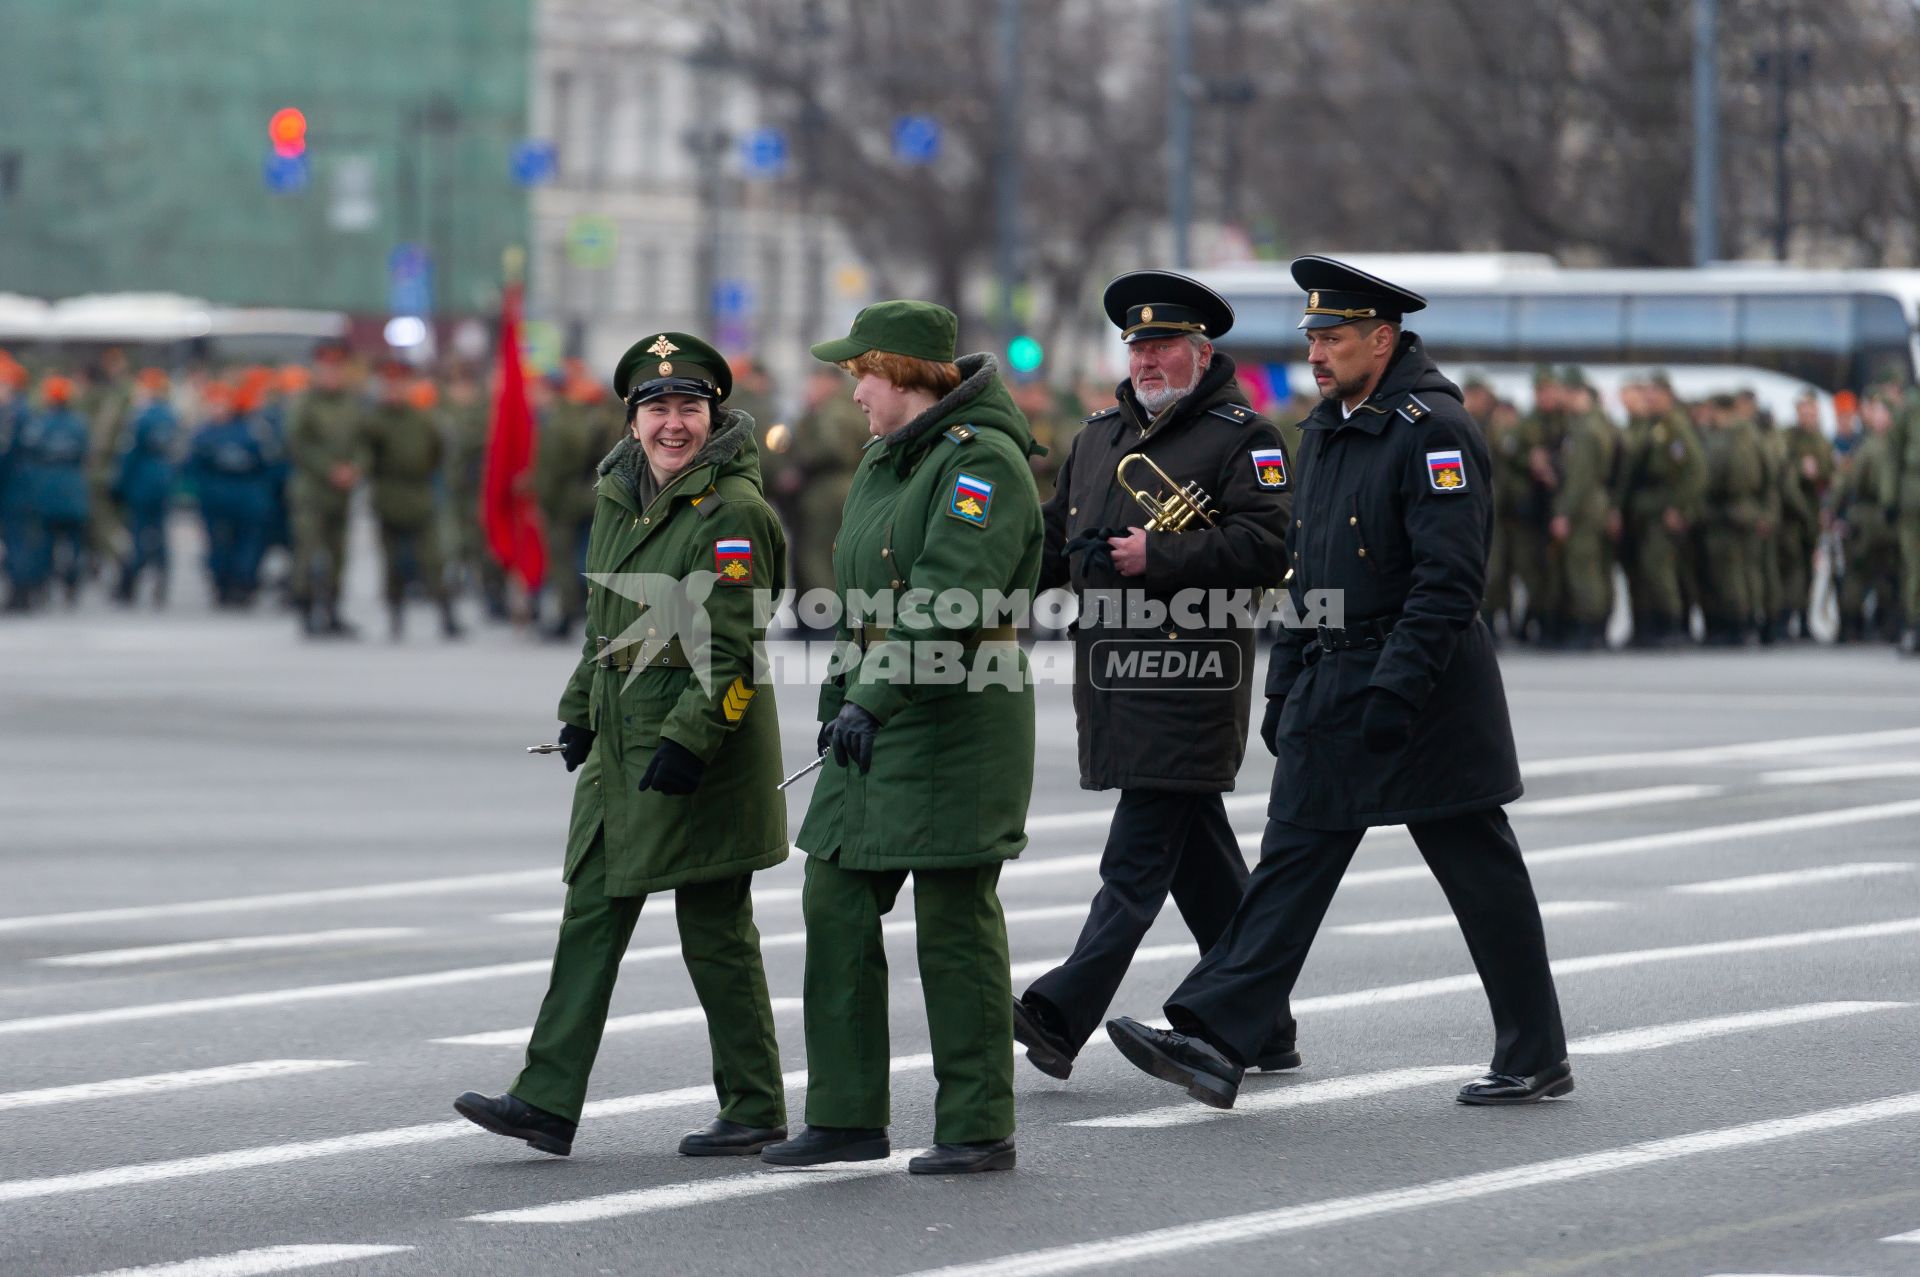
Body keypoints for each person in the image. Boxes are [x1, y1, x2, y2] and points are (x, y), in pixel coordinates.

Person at [1107, 256, 1570, 1111]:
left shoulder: (1431, 428)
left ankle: (1535, 1051)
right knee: (1292, 859)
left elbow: (1449, 581)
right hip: (1333, 676)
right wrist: (1285, 683)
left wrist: (1397, 690)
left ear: (1382, 338)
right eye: (1312, 336)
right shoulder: (1324, 427)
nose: (1316, 352)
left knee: (1480, 872)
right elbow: (1305, 568)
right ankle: (1214, 1037)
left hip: (1423, 694)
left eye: (1333, 336)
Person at [456, 331, 790, 1159]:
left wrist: (689, 741)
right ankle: (545, 1099)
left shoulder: (734, 512)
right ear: (633, 420)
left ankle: (753, 1104)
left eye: (688, 408)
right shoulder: (620, 491)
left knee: (715, 930)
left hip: (695, 756)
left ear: (713, 415)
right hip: (621, 746)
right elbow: (608, 621)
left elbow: (734, 647)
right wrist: (578, 709)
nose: (672, 424)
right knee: (590, 915)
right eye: (657, 409)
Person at [761, 301, 1042, 1175]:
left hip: (960, 715)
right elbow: (862, 602)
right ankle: (847, 1114)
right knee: (834, 896)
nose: (855, 390)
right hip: (881, 713)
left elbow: (947, 597)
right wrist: (846, 694)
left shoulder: (979, 466)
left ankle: (975, 1122)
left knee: (954, 922)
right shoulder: (889, 459)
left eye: (864, 374)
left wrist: (870, 696)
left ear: (908, 375)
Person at [1009, 271, 1294, 1081]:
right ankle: (1266, 1024)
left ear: (1203, 353)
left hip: (1190, 675)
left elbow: (1270, 549)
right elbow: (1056, 544)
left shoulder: (1245, 436)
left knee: (1134, 865)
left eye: (1164, 345)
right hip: (1112, 678)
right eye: (1138, 346)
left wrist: (1157, 555)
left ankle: (1062, 1012)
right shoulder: (1097, 435)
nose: (1147, 359)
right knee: (1201, 865)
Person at [361, 365, 462, 640]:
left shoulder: (423, 420)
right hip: (388, 497)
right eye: (388, 385)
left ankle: (447, 615)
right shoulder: (373, 422)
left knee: (434, 560)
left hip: (419, 497)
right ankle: (395, 616)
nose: (394, 391)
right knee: (392, 563)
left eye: (399, 385)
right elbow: (364, 457)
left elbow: (438, 452)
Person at [1611, 375, 1705, 648]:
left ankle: (1671, 624)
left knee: (1660, 570)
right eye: (1647, 394)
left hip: (1662, 509)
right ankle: (1650, 626)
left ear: (1667, 395)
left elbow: (1695, 473)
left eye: (1655, 394)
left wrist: (1681, 508)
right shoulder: (1651, 426)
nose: (1650, 399)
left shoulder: (1675, 427)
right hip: (1646, 511)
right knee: (1647, 571)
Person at [288, 342, 364, 636]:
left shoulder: (352, 403)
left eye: (337, 368)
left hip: (341, 493)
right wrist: (330, 469)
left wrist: (356, 467)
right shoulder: (306, 403)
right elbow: (297, 443)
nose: (332, 374)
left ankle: (333, 611)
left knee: (339, 554)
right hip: (311, 491)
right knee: (308, 552)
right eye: (327, 368)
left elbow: (363, 442)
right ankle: (306, 608)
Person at [185, 381, 275, 607]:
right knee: (218, 543)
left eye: (221, 403)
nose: (217, 408)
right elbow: (192, 467)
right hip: (215, 497)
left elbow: (268, 464)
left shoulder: (251, 430)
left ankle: (243, 583)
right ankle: (222, 584)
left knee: (247, 543)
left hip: (247, 496)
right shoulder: (204, 433)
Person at [784, 364, 870, 600]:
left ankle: (824, 609)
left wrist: (801, 461)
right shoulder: (846, 406)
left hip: (829, 488)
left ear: (830, 383)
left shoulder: (835, 409)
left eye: (817, 382)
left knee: (819, 554)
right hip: (842, 486)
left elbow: (832, 448)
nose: (812, 388)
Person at [1547, 369, 1617, 650]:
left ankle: (1591, 628)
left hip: (1585, 508)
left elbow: (1581, 478)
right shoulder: (1589, 425)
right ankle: (1594, 627)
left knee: (1584, 568)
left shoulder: (1587, 430)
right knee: (1590, 567)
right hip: (1592, 504)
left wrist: (1564, 512)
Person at [11, 375, 93, 607]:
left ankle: (43, 586)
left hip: (46, 491)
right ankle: (71, 583)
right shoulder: (79, 424)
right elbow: (86, 454)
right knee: (74, 543)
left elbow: (29, 454)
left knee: (45, 543)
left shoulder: (40, 424)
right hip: (74, 491)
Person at [112, 368, 181, 607]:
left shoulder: (140, 417)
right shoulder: (171, 415)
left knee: (139, 533)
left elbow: (130, 454)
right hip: (163, 480)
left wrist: (118, 483)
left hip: (142, 482)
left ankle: (131, 582)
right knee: (160, 533)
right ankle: (162, 579)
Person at [1778, 393, 1832, 642]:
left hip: (1812, 512)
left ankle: (1803, 619)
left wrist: (1817, 471)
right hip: (1791, 514)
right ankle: (1787, 617)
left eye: (1811, 412)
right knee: (1793, 568)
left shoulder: (1821, 441)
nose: (1808, 417)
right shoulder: (1788, 438)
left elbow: (1829, 473)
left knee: (1810, 570)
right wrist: (1800, 469)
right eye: (1803, 412)